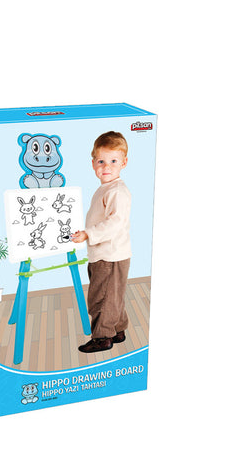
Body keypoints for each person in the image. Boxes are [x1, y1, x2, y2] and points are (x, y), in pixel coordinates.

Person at [71, 131, 132, 353]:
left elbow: (115, 223)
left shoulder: (118, 191)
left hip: (110, 255)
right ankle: (118, 330)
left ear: (124, 163)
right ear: (93, 163)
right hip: (105, 254)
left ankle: (103, 337)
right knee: (113, 296)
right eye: (101, 161)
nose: (106, 167)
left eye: (113, 161)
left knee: (101, 298)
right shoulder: (106, 188)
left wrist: (88, 234)